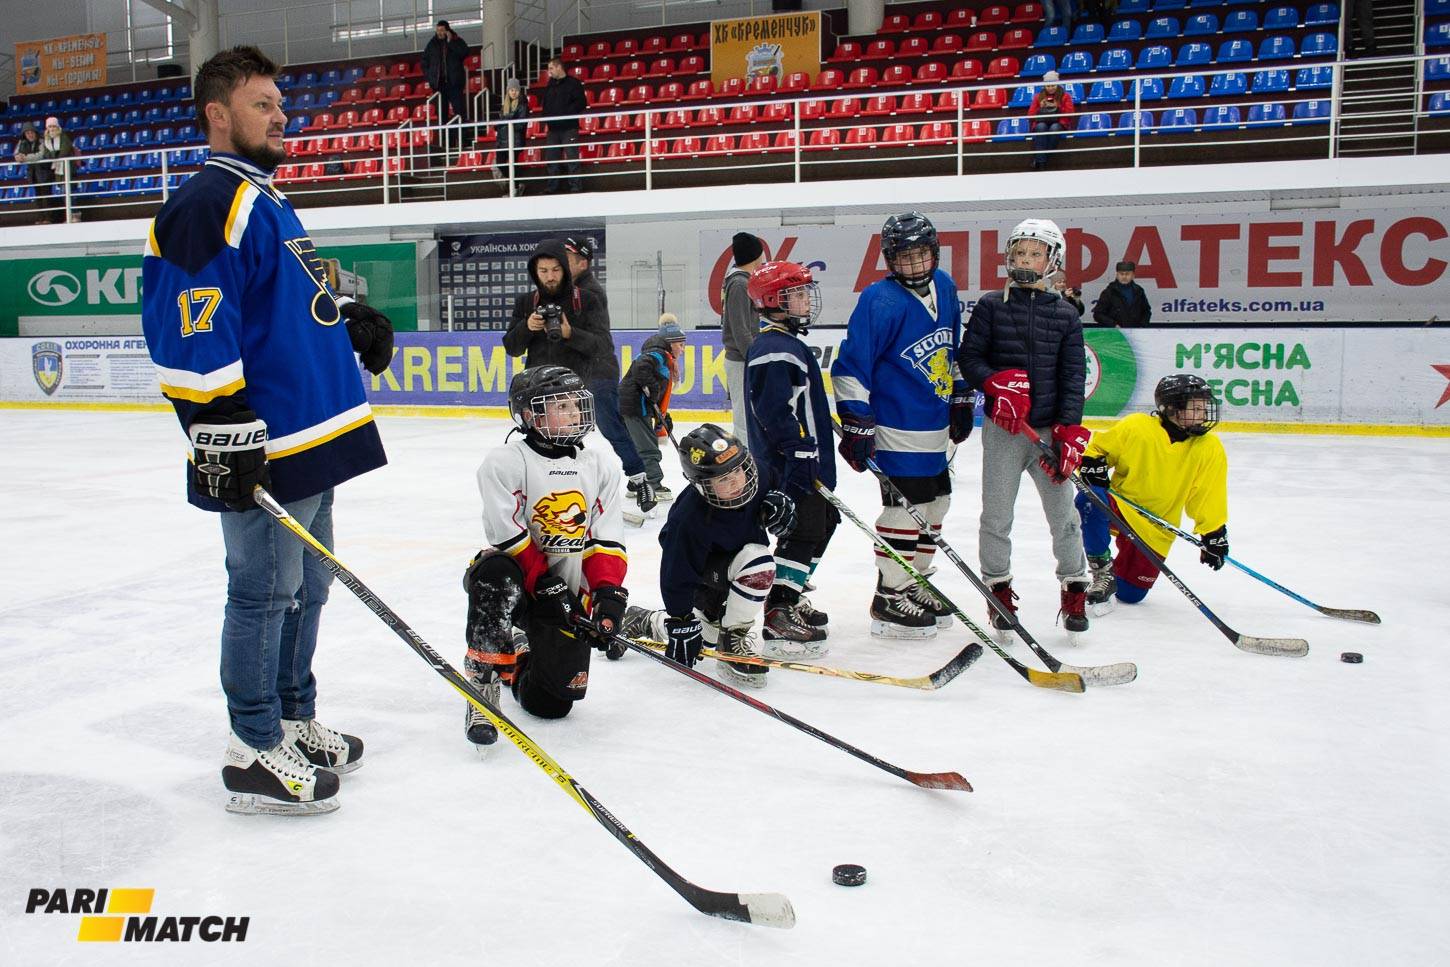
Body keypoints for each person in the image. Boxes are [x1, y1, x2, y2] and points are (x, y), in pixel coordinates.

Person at [141, 45, 394, 816]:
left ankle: (291, 716)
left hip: (312, 437)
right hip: (265, 442)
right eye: (262, 103)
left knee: (306, 590)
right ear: (218, 115)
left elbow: (280, 308)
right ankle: (252, 743)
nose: (282, 114)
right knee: (262, 593)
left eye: (281, 103)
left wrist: (350, 322)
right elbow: (190, 323)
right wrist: (219, 425)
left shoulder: (268, 200)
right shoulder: (205, 203)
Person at [462, 366, 628, 745]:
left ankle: (519, 652)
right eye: (561, 406)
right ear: (530, 416)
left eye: (576, 404)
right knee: (496, 571)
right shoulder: (505, 462)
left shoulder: (600, 464)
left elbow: (606, 537)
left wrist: (605, 595)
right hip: (521, 584)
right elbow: (507, 536)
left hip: (565, 597)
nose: (574, 413)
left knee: (551, 704)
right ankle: (483, 676)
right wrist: (545, 585)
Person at [832, 212, 971, 639]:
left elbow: (953, 346)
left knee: (936, 506)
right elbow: (850, 366)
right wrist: (856, 419)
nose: (914, 265)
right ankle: (889, 594)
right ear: (891, 260)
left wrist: (961, 394)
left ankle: (916, 579)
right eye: (904, 257)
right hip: (896, 426)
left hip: (934, 425)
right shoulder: (878, 299)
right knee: (904, 511)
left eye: (921, 255)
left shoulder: (945, 286)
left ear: (935, 253)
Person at [958, 218, 1091, 638]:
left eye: (1035, 253)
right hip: (1004, 433)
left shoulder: (1066, 315)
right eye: (1019, 252)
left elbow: (1072, 378)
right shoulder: (991, 306)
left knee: (1064, 516)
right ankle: (998, 591)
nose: (1025, 260)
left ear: (1053, 260)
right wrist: (993, 382)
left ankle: (1074, 588)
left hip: (1048, 433)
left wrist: (1069, 431)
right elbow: (970, 359)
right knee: (996, 517)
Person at [619, 425, 798, 688]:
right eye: (723, 479)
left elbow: (776, 479)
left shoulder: (756, 473)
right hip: (705, 577)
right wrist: (680, 620)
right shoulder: (689, 518)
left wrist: (782, 499)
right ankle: (730, 640)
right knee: (758, 562)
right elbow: (675, 574)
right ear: (702, 485)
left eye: (738, 470)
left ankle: (647, 619)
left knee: (706, 635)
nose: (736, 481)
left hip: (736, 568)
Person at [745, 260, 839, 658]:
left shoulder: (788, 344)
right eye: (795, 294)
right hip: (791, 463)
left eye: (804, 292)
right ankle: (778, 609)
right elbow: (774, 411)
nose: (805, 300)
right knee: (805, 528)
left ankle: (791, 593)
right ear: (773, 301)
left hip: (806, 458)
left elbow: (800, 405)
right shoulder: (774, 349)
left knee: (824, 521)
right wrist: (799, 451)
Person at [1078, 374, 1228, 607]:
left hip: (1156, 528)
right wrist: (1092, 463)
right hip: (1122, 508)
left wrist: (1214, 533)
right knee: (1090, 498)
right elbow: (1097, 451)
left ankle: (1119, 574)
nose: (1203, 414)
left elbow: (1208, 493)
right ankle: (1103, 571)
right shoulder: (1137, 427)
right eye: (1195, 408)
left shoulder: (1209, 447)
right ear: (1172, 409)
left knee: (1130, 595)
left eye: (1204, 408)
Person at [563, 236, 649, 503]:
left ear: (582, 263)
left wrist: (568, 332)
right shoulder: (573, 290)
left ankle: (640, 479)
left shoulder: (590, 293)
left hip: (598, 371)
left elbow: (599, 340)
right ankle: (565, 478)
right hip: (582, 370)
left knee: (611, 426)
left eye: (567, 261)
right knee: (569, 427)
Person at [502, 239, 612, 388]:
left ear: (565, 269)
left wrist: (570, 334)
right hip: (538, 389)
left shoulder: (586, 300)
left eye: (556, 269)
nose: (550, 277)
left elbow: (604, 347)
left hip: (575, 389)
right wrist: (527, 326)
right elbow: (512, 348)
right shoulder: (526, 302)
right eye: (543, 271)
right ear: (535, 271)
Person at [618, 315, 687, 517]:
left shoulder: (662, 356)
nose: (682, 350)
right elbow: (641, 368)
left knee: (639, 446)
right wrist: (652, 387)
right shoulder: (657, 354)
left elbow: (657, 396)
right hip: (634, 407)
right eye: (680, 345)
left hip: (636, 406)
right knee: (648, 448)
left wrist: (664, 416)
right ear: (671, 343)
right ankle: (653, 483)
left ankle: (635, 484)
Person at [720, 232, 766, 446]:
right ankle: (744, 459)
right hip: (741, 360)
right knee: (743, 415)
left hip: (745, 358)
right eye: (761, 254)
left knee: (751, 411)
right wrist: (754, 358)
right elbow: (740, 329)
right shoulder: (739, 284)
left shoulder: (743, 282)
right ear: (754, 257)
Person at [540, 56, 587, 194]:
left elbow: (581, 103)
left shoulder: (574, 83)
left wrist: (567, 113)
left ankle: (576, 187)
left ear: (559, 67)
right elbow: (546, 104)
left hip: (569, 128)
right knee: (552, 158)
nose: (549, 72)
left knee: (572, 157)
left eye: (551, 68)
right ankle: (553, 187)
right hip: (553, 129)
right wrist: (547, 118)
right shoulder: (550, 84)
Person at [422, 19, 469, 123]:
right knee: (441, 114)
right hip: (439, 85)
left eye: (442, 30)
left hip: (454, 83)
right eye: (438, 30)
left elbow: (464, 53)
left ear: (448, 30)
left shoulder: (456, 40)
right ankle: (443, 137)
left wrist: (450, 42)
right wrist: (430, 77)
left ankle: (462, 136)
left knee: (459, 111)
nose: (439, 32)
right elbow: (424, 62)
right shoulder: (432, 44)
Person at [1027, 72, 1075, 171]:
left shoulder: (1065, 96)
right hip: (1041, 122)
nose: (1050, 88)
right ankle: (1042, 163)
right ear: (1044, 86)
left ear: (1057, 84)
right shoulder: (1038, 97)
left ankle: (1040, 161)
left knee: (1055, 128)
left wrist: (1058, 107)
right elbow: (1030, 115)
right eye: (1048, 85)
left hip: (1059, 122)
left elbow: (1070, 113)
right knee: (1041, 127)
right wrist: (1040, 107)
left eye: (1053, 85)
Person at [1092, 260, 1152, 328]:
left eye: (1127, 274)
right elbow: (1098, 314)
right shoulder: (1109, 292)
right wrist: (1113, 325)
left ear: (1133, 275)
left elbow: (1147, 311)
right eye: (1121, 274)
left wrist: (1142, 326)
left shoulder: (1139, 291)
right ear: (1117, 275)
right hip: (1115, 333)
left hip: (1135, 332)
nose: (1124, 277)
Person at [498, 76, 529, 194]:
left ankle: (515, 186)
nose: (513, 92)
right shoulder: (504, 106)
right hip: (502, 140)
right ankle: (516, 183)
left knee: (512, 163)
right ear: (508, 91)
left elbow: (520, 124)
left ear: (519, 91)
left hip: (515, 140)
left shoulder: (522, 105)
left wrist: (506, 121)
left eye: (515, 90)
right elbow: (499, 123)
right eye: (511, 90)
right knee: (500, 163)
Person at [12, 124, 48, 222]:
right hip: (33, 173)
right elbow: (16, 153)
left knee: (46, 196)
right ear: (24, 135)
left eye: (32, 132)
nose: (30, 135)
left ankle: (48, 218)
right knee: (38, 197)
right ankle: (41, 218)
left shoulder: (41, 141)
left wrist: (26, 158)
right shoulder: (22, 142)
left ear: (35, 133)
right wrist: (18, 157)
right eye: (27, 133)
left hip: (44, 172)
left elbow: (41, 155)